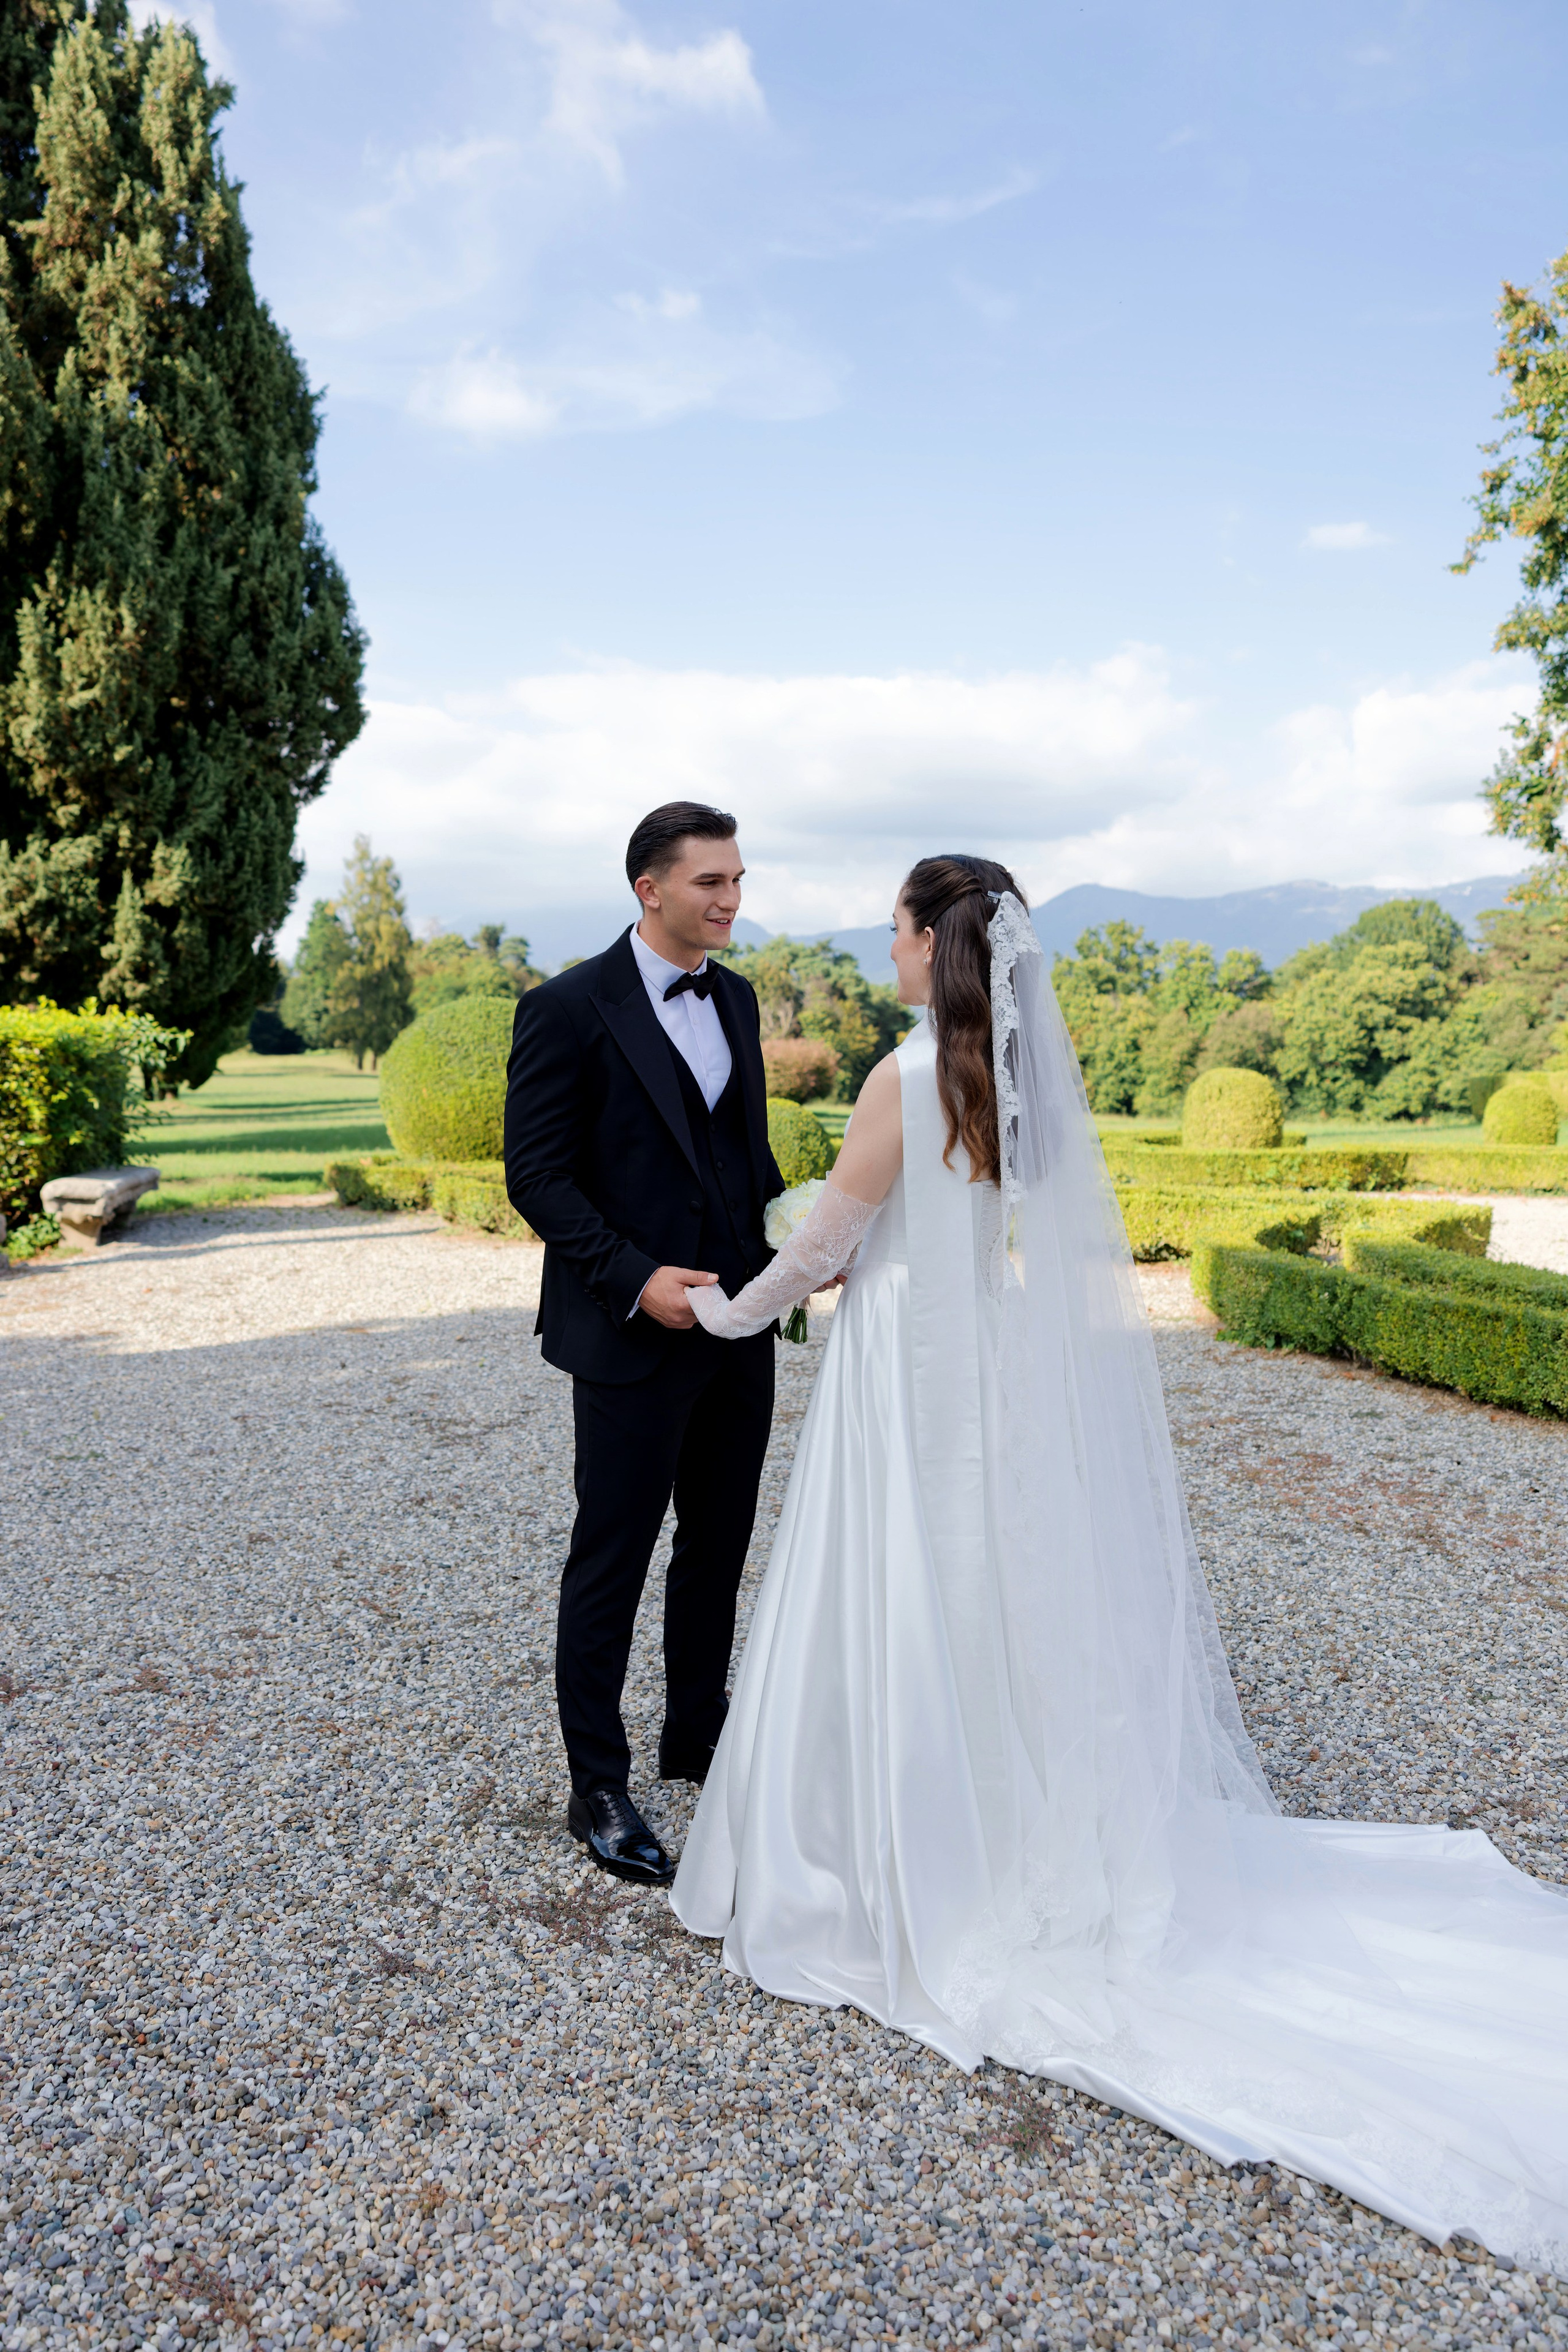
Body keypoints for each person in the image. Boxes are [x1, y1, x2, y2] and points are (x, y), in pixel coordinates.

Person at [671, 852, 1568, 2271]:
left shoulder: (904, 1076)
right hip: (980, 1376)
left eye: (895, 933)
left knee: (897, 1593)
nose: (888, 953)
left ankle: (897, 1852)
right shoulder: (1002, 1080)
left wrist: (722, 1310)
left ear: (922, 944)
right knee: (973, 1595)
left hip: (907, 1375)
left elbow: (831, 1245)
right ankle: (989, 1810)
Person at [504, 802, 784, 1887]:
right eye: (709, 881)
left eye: (738, 878)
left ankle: (698, 1739)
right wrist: (633, 1279)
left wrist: (801, 1248)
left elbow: (738, 1159)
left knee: (717, 1545)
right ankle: (599, 1785)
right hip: (629, 1332)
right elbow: (539, 1176)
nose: (729, 900)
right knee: (612, 1557)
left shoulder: (741, 997)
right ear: (648, 889)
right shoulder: (567, 1008)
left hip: (738, 1324)